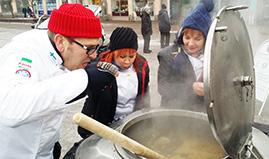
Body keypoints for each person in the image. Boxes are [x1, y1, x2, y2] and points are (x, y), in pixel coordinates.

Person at [0, 3, 118, 159]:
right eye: (89, 48)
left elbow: (52, 94)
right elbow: (11, 108)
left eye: (97, 47)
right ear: (61, 41)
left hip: (45, 150)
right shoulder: (23, 53)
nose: (94, 55)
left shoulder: (59, 53)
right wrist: (85, 79)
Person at [63, 27, 150, 159]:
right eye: (122, 56)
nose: (127, 61)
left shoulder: (141, 66)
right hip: (106, 124)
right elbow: (80, 80)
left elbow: (144, 93)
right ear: (113, 52)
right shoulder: (101, 67)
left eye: (131, 56)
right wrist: (95, 71)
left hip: (130, 124)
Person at [157, 0, 214, 112]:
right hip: (174, 112)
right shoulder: (168, 55)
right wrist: (191, 88)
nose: (191, 44)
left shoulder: (212, 56)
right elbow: (163, 87)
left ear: (206, 39)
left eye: (197, 39)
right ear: (181, 36)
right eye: (187, 37)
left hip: (202, 112)